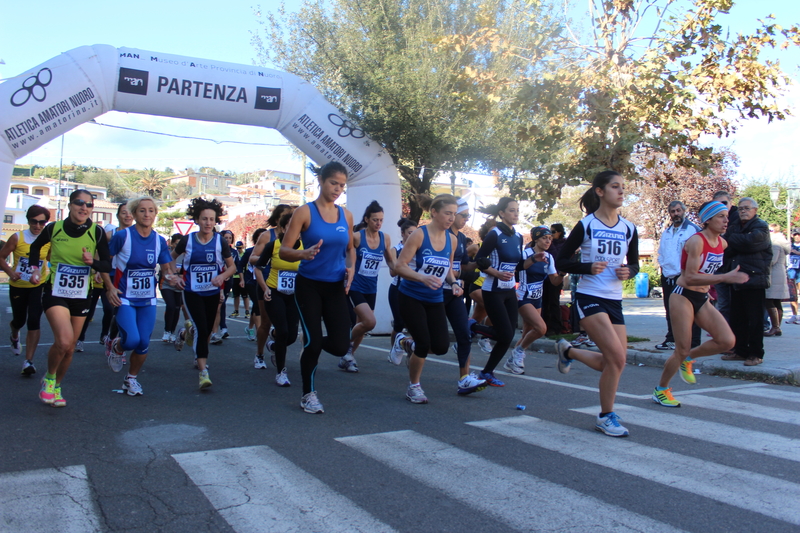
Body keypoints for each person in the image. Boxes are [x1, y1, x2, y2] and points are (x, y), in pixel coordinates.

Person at [555, 170, 640, 437]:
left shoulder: (630, 228)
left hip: (615, 299)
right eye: (615, 187)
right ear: (600, 192)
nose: (621, 191)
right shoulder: (587, 225)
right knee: (616, 358)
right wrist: (587, 267)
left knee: (616, 362)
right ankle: (605, 416)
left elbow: (634, 263)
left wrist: (631, 272)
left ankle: (569, 352)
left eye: (623, 187)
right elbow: (562, 261)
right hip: (590, 296)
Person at [652, 201, 748, 407]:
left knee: (727, 341)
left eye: (726, 216)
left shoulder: (722, 243)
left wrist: (712, 288)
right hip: (683, 295)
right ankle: (661, 390)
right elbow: (691, 277)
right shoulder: (696, 241)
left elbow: (709, 272)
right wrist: (725, 278)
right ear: (707, 220)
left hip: (702, 298)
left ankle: (689, 359)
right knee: (681, 348)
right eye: (721, 216)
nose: (726, 220)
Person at [280, 162, 354, 414]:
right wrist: (303, 253)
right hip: (309, 286)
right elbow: (284, 251)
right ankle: (308, 394)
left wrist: (351, 269)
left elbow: (350, 249)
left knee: (340, 345)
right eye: (334, 183)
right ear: (321, 181)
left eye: (342, 185)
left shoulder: (346, 215)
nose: (338, 189)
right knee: (312, 344)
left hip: (335, 287)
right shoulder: (304, 212)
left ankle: (311, 344)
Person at [28, 189, 112, 407]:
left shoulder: (97, 232)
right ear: (70, 205)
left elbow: (107, 265)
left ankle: (56, 385)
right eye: (79, 203)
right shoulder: (54, 228)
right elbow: (36, 247)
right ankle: (49, 378)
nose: (84, 208)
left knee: (70, 346)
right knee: (64, 340)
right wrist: (35, 270)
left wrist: (91, 263)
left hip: (82, 295)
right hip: (56, 292)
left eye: (89, 205)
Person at [391, 194, 469, 403]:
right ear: (434, 213)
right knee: (424, 343)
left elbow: (449, 270)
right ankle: (414, 386)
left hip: (435, 298)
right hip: (410, 296)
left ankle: (405, 342)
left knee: (441, 346)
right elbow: (399, 266)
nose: (452, 218)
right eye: (447, 213)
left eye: (454, 214)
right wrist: (422, 277)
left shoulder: (452, 240)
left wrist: (453, 283)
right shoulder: (418, 235)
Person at [101, 197, 177, 395]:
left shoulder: (159, 240)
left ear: (155, 214)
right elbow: (104, 263)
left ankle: (131, 379)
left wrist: (173, 278)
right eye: (142, 211)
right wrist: (109, 287)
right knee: (132, 340)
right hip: (124, 296)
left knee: (143, 342)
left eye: (151, 210)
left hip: (148, 299)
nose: (147, 214)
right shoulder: (122, 236)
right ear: (134, 214)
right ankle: (116, 345)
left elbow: (167, 268)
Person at [171, 197, 237, 389]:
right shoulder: (188, 241)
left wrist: (222, 276)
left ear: (215, 221)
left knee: (207, 330)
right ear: (197, 220)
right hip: (192, 291)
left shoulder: (219, 242)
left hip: (212, 292)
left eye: (211, 219)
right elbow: (170, 258)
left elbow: (232, 267)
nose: (208, 223)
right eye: (204, 219)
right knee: (201, 327)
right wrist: (176, 276)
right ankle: (203, 372)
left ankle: (188, 334)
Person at [469, 198, 525, 387]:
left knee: (508, 336)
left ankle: (487, 372)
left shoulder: (518, 236)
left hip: (509, 291)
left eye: (517, 210)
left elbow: (520, 265)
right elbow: (479, 259)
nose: (516, 214)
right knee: (504, 332)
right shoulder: (495, 234)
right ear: (501, 213)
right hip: (492, 290)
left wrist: (536, 259)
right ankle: (472, 327)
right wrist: (496, 273)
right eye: (512, 210)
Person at [719, 197, 771, 366]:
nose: (743, 211)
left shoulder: (760, 226)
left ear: (755, 210)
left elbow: (752, 243)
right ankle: (740, 351)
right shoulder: (735, 227)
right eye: (740, 208)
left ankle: (756, 354)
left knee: (755, 320)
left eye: (747, 208)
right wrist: (737, 241)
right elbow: (727, 246)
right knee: (737, 318)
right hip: (736, 278)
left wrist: (734, 240)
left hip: (754, 278)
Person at [441, 197, 486, 394]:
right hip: (436, 292)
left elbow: (465, 265)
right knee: (432, 340)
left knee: (464, 334)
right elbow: (448, 268)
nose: (466, 219)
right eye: (464, 215)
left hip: (454, 292)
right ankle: (408, 344)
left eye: (468, 216)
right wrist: (463, 274)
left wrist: (479, 264)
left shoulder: (460, 237)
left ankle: (464, 378)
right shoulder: (441, 235)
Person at [0, 205, 51, 375]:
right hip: (19, 285)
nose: (37, 226)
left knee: (34, 319)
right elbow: (1, 257)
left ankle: (28, 361)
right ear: (28, 221)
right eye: (33, 222)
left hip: (38, 285)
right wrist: (10, 272)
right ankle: (14, 333)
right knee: (19, 320)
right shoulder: (17, 237)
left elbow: (52, 258)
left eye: (42, 222)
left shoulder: (47, 240)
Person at [505, 226, 562, 375]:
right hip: (523, 296)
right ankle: (518, 354)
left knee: (527, 335)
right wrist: (512, 289)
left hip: (537, 298)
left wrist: (562, 274)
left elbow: (554, 281)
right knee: (541, 329)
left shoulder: (549, 257)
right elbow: (513, 271)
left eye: (550, 238)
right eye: (544, 238)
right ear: (536, 239)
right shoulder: (525, 254)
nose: (548, 241)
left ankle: (513, 360)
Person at [345, 201, 394, 372]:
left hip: (371, 288)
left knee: (363, 324)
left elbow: (391, 263)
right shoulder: (358, 237)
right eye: (375, 220)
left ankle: (349, 355)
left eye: (381, 220)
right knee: (369, 321)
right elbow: (344, 255)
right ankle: (343, 344)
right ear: (366, 219)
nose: (378, 223)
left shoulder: (385, 238)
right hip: (355, 286)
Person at [255, 212, 301, 386]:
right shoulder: (273, 246)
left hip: (294, 295)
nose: (294, 229)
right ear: (283, 228)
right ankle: (281, 372)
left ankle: (274, 342)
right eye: (290, 225)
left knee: (290, 336)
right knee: (283, 331)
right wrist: (265, 288)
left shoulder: (305, 246)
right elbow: (258, 268)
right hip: (275, 292)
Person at [249, 204, 294, 365]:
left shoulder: (298, 237)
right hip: (267, 284)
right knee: (266, 322)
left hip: (289, 288)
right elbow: (253, 258)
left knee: (286, 327)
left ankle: (275, 345)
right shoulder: (268, 237)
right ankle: (259, 354)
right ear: (278, 220)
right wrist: (268, 258)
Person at [655, 200, 701, 350]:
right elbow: (661, 253)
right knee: (670, 309)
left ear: (684, 211)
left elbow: (698, 254)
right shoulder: (667, 232)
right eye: (673, 211)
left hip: (685, 276)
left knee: (689, 309)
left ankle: (693, 342)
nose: (676, 214)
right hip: (668, 276)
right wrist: (664, 268)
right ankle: (671, 339)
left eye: (678, 210)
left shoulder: (693, 230)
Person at [388, 218, 418, 347]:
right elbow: (393, 273)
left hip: (413, 289)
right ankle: (393, 349)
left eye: (415, 233)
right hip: (397, 289)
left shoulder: (419, 248)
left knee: (413, 322)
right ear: (403, 233)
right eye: (410, 232)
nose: (413, 235)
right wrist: (402, 262)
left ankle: (412, 347)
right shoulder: (395, 250)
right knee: (399, 323)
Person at [713, 191, 739, 323]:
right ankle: (723, 332)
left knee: (738, 304)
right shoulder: (712, 220)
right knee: (723, 303)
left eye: (724, 203)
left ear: (730, 203)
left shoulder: (739, 218)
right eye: (717, 204)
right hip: (720, 267)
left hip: (736, 267)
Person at [240, 229, 266, 342]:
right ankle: (259, 331)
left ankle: (249, 327)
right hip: (250, 281)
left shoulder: (270, 251)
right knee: (257, 305)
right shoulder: (249, 251)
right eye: (260, 236)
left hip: (263, 281)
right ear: (256, 238)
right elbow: (240, 266)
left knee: (257, 306)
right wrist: (241, 279)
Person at [764, 224, 790, 337]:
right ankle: (777, 327)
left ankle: (775, 327)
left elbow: (772, 260)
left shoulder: (775, 243)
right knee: (776, 301)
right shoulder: (781, 241)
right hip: (779, 273)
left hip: (773, 274)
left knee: (769, 300)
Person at [541, 223, 567, 335]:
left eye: (553, 232)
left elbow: (556, 257)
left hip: (556, 275)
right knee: (544, 302)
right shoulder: (549, 244)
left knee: (554, 302)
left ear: (559, 232)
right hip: (544, 276)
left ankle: (556, 327)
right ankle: (544, 326)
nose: (549, 236)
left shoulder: (563, 244)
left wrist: (550, 243)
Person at [160, 234, 185, 343]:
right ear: (172, 243)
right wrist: (173, 273)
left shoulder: (185, 254)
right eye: (176, 244)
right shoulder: (167, 253)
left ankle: (172, 332)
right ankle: (166, 331)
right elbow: (165, 268)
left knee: (176, 308)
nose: (178, 246)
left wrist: (181, 273)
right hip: (167, 284)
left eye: (180, 244)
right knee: (170, 305)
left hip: (180, 285)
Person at [229, 240, 250, 318]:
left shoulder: (245, 254)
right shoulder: (234, 254)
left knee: (245, 295)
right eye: (237, 248)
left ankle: (247, 311)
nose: (238, 249)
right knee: (236, 295)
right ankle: (236, 311)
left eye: (240, 248)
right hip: (235, 277)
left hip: (243, 277)